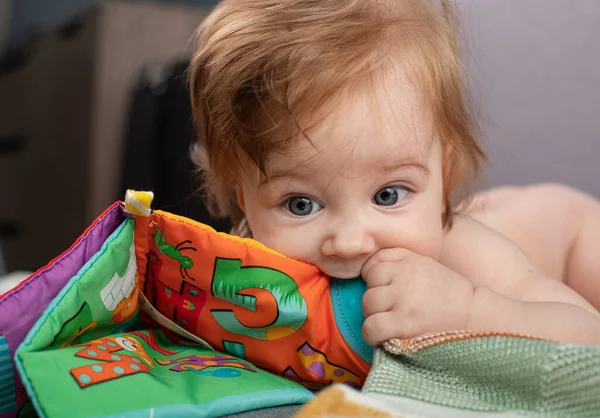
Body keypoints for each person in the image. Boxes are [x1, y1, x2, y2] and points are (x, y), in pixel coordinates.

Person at [188, 0, 600, 347]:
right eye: (301, 204)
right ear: (244, 200)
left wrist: (470, 308)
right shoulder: (249, 264)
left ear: (444, 181)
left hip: (567, 235)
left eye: (388, 195)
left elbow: (587, 336)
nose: (349, 243)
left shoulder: (464, 256)